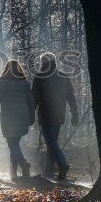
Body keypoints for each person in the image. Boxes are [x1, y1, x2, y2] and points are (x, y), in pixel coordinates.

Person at [0, 60, 36, 182]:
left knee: (12, 144)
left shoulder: (2, 84)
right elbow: (31, 102)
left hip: (8, 118)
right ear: (19, 70)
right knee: (14, 145)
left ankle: (23, 164)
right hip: (23, 117)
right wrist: (32, 117)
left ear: (5, 70)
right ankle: (14, 174)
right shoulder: (25, 84)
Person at [31, 52, 79, 180]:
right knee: (53, 143)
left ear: (43, 63)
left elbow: (34, 99)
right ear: (54, 62)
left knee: (51, 143)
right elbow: (71, 98)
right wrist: (75, 114)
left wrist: (31, 115)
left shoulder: (39, 77)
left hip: (45, 115)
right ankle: (48, 171)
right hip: (59, 115)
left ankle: (62, 165)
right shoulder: (63, 76)